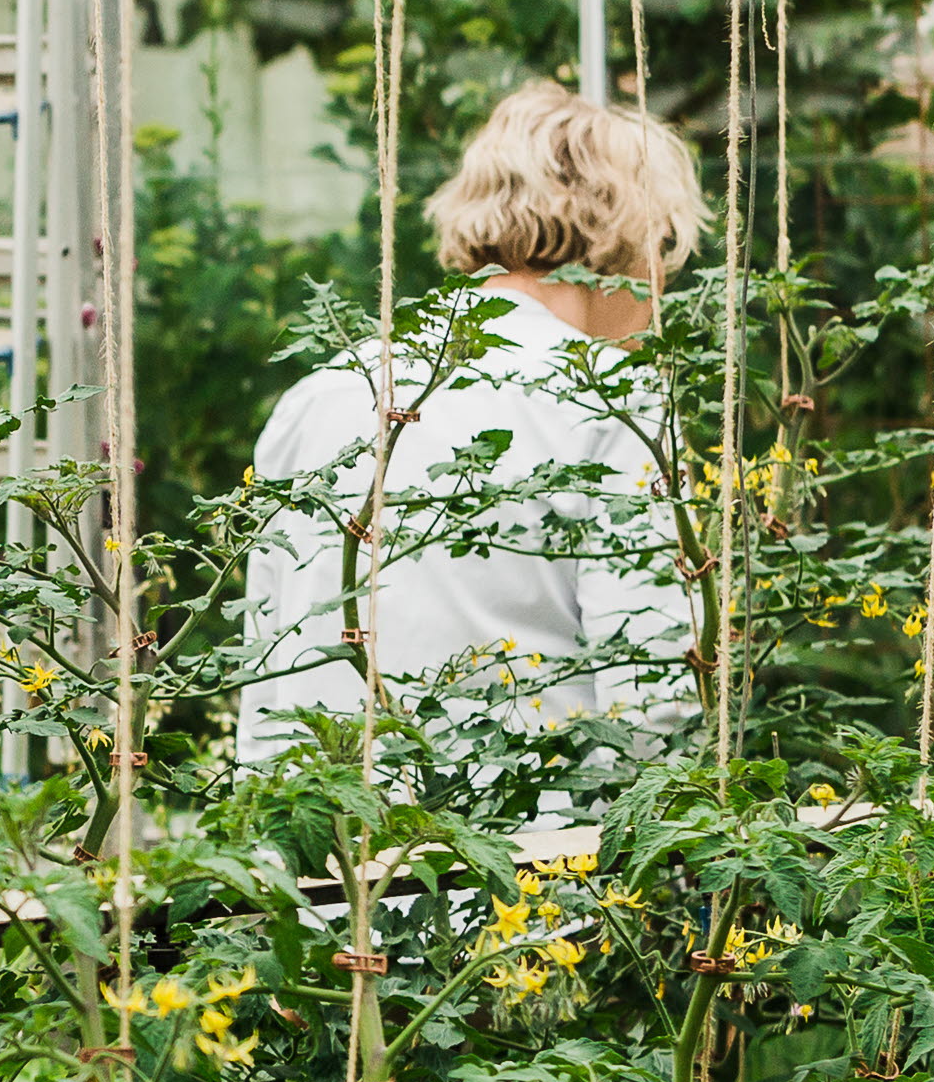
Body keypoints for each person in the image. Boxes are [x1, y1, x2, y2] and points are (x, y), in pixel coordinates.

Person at [236, 82, 703, 773]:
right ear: (624, 238)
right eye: (662, 243)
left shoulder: (319, 397)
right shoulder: (616, 403)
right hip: (535, 865)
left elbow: (266, 684)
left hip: (325, 857)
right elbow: (656, 696)